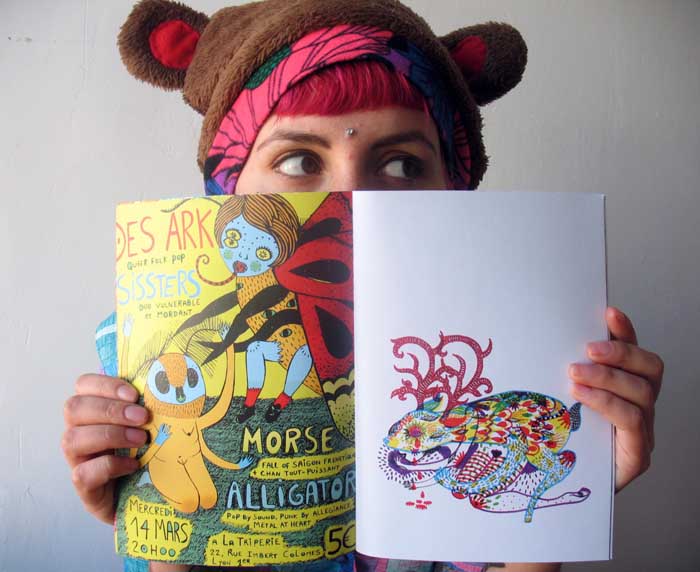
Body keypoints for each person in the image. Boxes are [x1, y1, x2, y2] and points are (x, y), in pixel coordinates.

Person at [62, 1, 664, 571]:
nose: (351, 201)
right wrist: (154, 525)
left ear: (452, 191)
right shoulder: (155, 346)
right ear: (229, 189)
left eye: (402, 164)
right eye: (299, 161)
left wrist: (561, 506)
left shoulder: (516, 342)